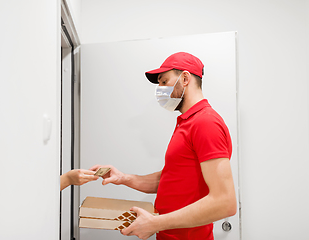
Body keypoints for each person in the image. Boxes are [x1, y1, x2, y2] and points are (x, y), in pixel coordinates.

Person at [90, 52, 237, 240]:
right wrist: (124, 178)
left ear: (185, 78)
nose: (160, 89)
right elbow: (172, 179)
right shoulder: (188, 122)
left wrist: (155, 223)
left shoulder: (205, 123)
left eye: (164, 81)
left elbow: (225, 202)